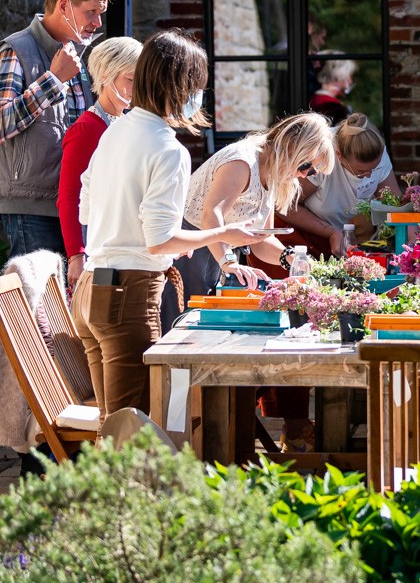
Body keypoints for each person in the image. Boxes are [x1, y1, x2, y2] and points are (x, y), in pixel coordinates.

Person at [74, 31, 260, 412]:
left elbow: (86, 208)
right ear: (180, 86)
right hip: (128, 293)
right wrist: (224, 232)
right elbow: (160, 241)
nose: (199, 98)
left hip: (92, 288)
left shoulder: (115, 130)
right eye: (199, 88)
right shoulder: (167, 149)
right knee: (134, 427)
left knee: (113, 431)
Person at [0, 0, 115, 259]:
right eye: (91, 12)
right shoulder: (15, 49)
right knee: (40, 304)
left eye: (101, 14)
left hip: (74, 203)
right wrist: (53, 79)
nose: (97, 23)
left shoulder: (78, 56)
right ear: (64, 5)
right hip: (31, 206)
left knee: (68, 303)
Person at [181, 113, 337, 292]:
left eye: (311, 172)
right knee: (178, 317)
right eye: (304, 166)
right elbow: (210, 215)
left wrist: (291, 257)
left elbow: (261, 240)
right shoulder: (242, 161)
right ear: (291, 148)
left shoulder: (272, 172)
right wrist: (228, 262)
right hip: (189, 247)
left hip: (217, 253)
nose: (303, 175)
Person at [57, 36, 142, 289]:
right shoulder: (87, 129)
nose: (135, 89)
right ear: (106, 75)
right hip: (93, 247)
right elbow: (69, 197)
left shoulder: (126, 124)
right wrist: (76, 254)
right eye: (129, 79)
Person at [285, 113, 401, 256]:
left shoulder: (376, 150)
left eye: (374, 169)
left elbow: (395, 205)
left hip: (350, 238)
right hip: (309, 240)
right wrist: (331, 233)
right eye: (361, 172)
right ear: (339, 155)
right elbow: (286, 206)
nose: (370, 176)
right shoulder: (320, 156)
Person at [308, 60, 355, 126]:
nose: (350, 81)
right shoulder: (332, 106)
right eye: (349, 75)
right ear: (338, 76)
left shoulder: (314, 98)